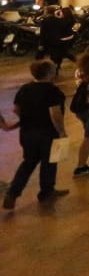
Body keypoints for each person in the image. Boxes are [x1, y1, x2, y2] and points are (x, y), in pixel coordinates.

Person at [1, 59, 70, 209]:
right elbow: (55, 113)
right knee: (49, 162)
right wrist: (62, 131)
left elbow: (16, 109)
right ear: (49, 72)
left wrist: (26, 119)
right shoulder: (52, 91)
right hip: (47, 133)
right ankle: (46, 192)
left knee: (28, 162)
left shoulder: (24, 89)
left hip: (27, 133)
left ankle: (13, 193)